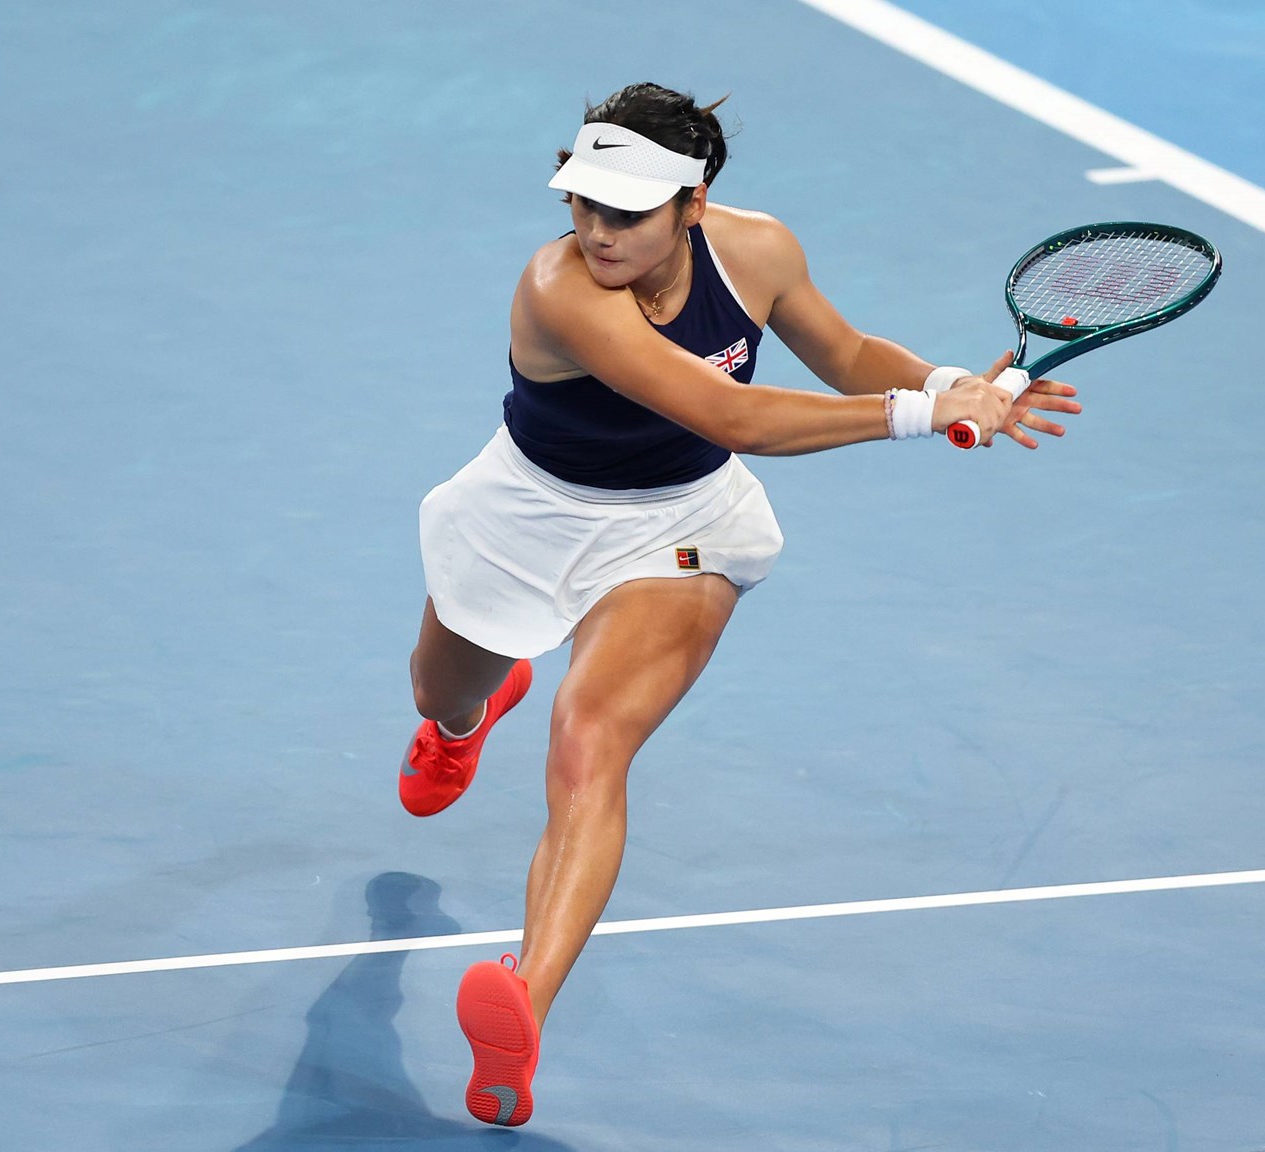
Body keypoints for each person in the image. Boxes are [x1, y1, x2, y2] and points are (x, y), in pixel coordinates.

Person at [397, 82, 1081, 1128]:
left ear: (693, 204)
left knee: (589, 741)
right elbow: (735, 414)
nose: (598, 231)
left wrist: (956, 383)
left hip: (677, 524)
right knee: (439, 687)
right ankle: (463, 721)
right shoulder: (558, 288)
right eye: (583, 204)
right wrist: (918, 414)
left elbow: (847, 355)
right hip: (528, 514)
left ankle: (523, 1001)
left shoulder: (757, 252)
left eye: (628, 212)